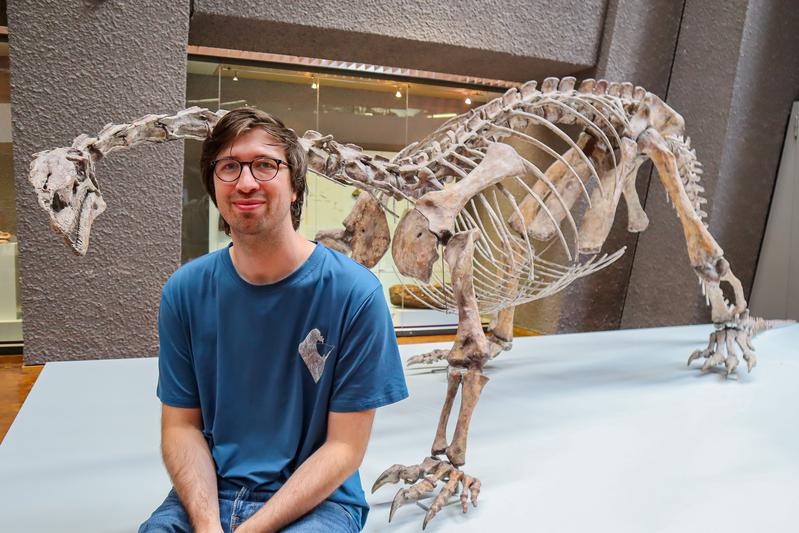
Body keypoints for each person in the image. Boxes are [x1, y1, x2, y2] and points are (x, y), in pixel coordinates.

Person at [139, 108, 409, 532]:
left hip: (318, 501)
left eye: (265, 164)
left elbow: (343, 447)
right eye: (228, 166)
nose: (246, 182)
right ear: (213, 186)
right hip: (212, 488)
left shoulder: (356, 295)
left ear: (296, 186)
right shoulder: (184, 291)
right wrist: (209, 525)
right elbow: (181, 427)